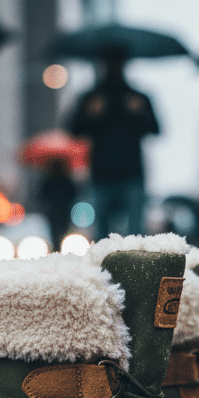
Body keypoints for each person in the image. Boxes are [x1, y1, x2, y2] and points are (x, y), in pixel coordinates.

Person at [66, 47, 159, 239]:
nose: (113, 67)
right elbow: (73, 130)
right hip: (102, 175)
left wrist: (139, 113)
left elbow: (156, 129)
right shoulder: (92, 98)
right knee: (102, 237)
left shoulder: (136, 97)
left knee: (135, 237)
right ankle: (103, 269)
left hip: (131, 175)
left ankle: (133, 269)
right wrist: (90, 115)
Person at [37, 157, 77, 250]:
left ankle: (56, 248)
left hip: (54, 210)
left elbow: (42, 195)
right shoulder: (66, 179)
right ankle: (61, 247)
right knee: (63, 229)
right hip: (64, 209)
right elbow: (73, 193)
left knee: (54, 230)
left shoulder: (48, 180)